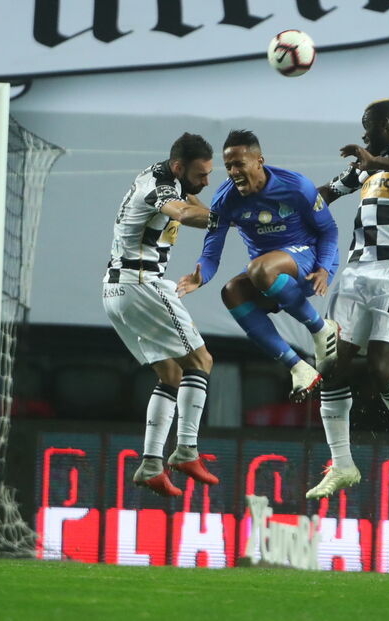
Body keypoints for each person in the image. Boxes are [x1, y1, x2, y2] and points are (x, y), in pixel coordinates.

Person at [305, 99, 389, 499]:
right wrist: (278, 199)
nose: (364, 135)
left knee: (383, 368)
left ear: (387, 124)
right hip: (357, 272)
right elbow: (327, 193)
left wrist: (376, 162)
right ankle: (342, 463)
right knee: (330, 364)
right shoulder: (368, 163)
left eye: (368, 127)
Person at [177, 130, 340, 402]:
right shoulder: (225, 199)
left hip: (311, 261)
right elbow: (211, 251)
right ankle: (299, 368)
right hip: (270, 272)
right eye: (228, 166)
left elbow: (329, 231)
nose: (233, 171)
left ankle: (321, 329)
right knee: (231, 292)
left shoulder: (297, 186)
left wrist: (323, 267)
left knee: (259, 269)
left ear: (259, 161)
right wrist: (201, 277)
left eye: (239, 164)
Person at [102, 133, 220, 497]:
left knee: (171, 372)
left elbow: (194, 203)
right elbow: (185, 212)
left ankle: (151, 464)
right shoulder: (158, 187)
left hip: (117, 288)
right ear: (178, 167)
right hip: (141, 285)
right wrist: (231, 218)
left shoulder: (167, 179)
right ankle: (186, 450)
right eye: (201, 175)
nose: (206, 181)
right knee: (201, 360)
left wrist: (220, 216)